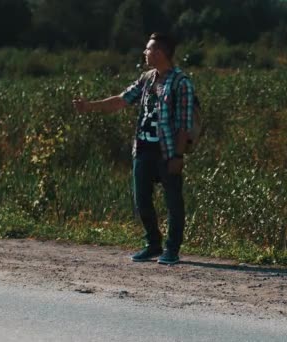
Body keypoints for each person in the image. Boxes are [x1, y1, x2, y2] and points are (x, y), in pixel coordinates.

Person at [73, 32, 196, 265]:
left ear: (160, 53)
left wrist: (178, 155)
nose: (145, 53)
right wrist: (89, 107)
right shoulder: (147, 78)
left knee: (173, 201)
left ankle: (172, 249)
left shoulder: (181, 83)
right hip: (143, 148)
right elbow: (121, 100)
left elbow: (184, 124)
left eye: (148, 50)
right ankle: (153, 244)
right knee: (141, 199)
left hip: (167, 150)